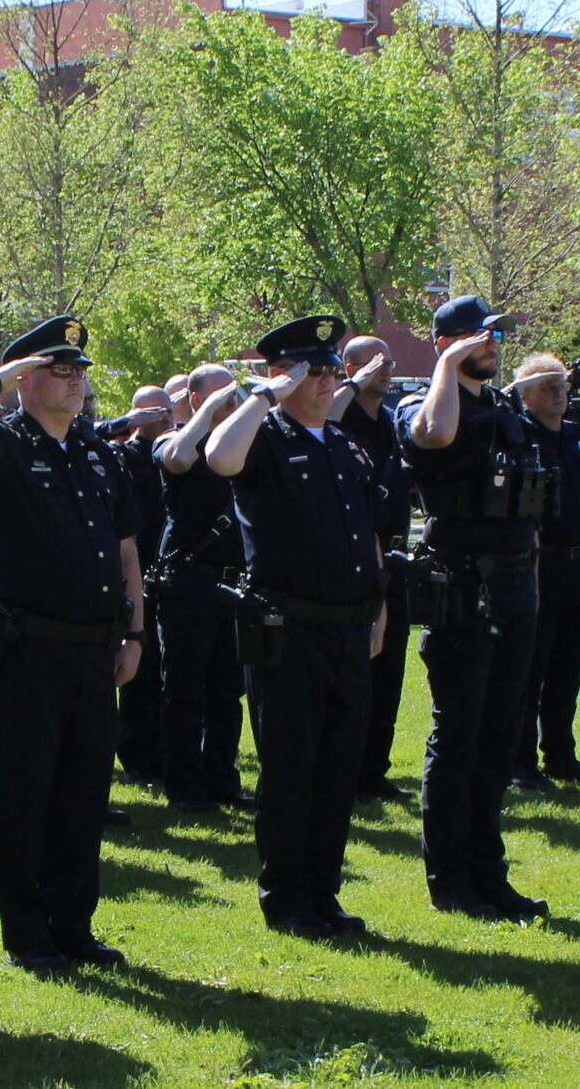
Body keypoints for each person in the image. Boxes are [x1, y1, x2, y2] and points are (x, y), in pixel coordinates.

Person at [0, 315, 144, 972]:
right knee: (22, 795)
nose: (74, 381)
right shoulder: (0, 445)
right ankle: (29, 932)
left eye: (79, 369)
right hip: (25, 651)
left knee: (83, 793)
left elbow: (126, 548)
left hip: (94, 649)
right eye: (59, 368)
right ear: (24, 378)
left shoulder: (97, 451)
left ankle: (74, 925)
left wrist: (134, 631)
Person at [203, 314, 389, 938]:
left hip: (348, 625)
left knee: (338, 766)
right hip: (289, 630)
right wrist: (263, 395)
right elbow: (218, 458)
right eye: (313, 370)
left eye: (332, 369)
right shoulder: (263, 436)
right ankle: (285, 899)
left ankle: (322, 892)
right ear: (284, 375)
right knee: (290, 768)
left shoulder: (344, 447)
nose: (327, 380)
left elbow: (368, 537)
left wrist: (379, 604)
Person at [399, 295, 550, 920]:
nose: (492, 344)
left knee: (501, 737)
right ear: (448, 343)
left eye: (495, 336)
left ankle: (490, 874)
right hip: (462, 587)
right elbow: (433, 436)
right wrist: (446, 365)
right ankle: (451, 881)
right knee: (459, 737)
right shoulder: (423, 404)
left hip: (517, 585)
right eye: (478, 336)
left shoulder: (508, 411)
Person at [510, 355, 580, 791]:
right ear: (526, 394)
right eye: (548, 387)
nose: (560, 393)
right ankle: (520, 763)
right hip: (541, 565)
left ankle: (560, 755)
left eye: (563, 385)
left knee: (570, 666)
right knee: (531, 668)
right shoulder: (519, 438)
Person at [153, 364, 253, 813]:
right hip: (189, 582)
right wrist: (210, 409)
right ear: (196, 400)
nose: (232, 404)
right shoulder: (173, 440)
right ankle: (185, 788)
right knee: (185, 690)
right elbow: (177, 458)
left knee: (227, 694)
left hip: (233, 584)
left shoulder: (240, 446)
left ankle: (221, 781)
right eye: (221, 397)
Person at [332, 334, 416, 800]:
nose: (387, 368)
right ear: (350, 367)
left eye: (390, 360)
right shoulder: (338, 415)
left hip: (395, 558)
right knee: (355, 668)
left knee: (390, 669)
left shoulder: (389, 421)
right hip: (355, 557)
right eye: (375, 361)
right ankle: (344, 768)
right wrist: (352, 385)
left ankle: (372, 769)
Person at [114, 385, 174, 789]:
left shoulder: (172, 454)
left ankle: (163, 750)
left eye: (168, 409)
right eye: (154, 410)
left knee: (166, 670)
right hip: (138, 571)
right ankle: (137, 754)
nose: (164, 416)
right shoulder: (124, 457)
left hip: (169, 572)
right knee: (139, 668)